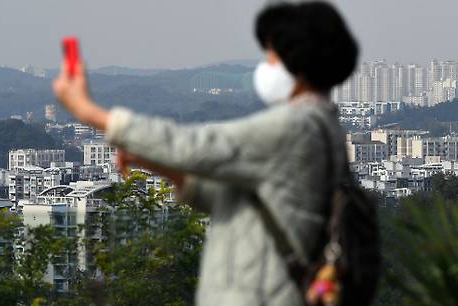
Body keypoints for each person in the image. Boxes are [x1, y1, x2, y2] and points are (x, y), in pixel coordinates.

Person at [52, 1, 359, 305]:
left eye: (271, 56)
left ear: (297, 63)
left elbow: (194, 145)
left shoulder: (295, 128)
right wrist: (150, 160)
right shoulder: (320, 128)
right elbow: (233, 200)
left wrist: (88, 111)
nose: (265, 67)